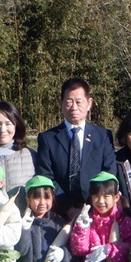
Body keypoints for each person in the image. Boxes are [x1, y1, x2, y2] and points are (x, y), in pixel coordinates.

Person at [36, 78, 117, 217]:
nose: (74, 107)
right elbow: (46, 177)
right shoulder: (47, 138)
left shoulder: (103, 136)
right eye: (69, 101)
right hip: (60, 211)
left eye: (79, 102)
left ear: (89, 103)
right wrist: (68, 209)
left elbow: (109, 173)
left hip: (97, 209)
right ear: (61, 103)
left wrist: (97, 204)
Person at [70, 172, 131, 262]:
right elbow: (79, 250)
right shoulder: (88, 220)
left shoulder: (125, 222)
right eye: (96, 196)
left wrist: (109, 250)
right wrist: (81, 228)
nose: (100, 201)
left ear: (116, 197)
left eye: (106, 196)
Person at [14, 175, 68, 262]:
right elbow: (20, 251)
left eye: (47, 197)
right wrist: (24, 230)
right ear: (27, 199)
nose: (42, 202)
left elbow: (72, 251)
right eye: (37, 197)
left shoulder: (58, 223)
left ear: (53, 198)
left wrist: (63, 254)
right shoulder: (20, 222)